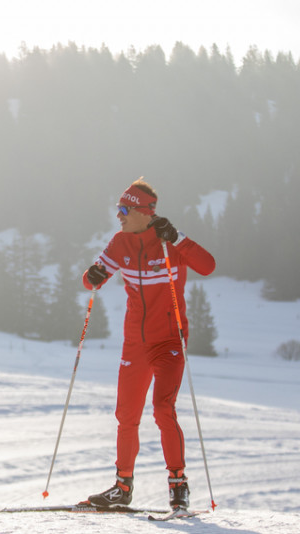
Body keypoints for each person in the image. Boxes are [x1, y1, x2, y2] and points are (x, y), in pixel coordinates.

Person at [82, 178, 215, 511]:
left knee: (162, 409)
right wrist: (94, 275)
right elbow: (90, 278)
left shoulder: (170, 242)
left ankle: (178, 485)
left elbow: (208, 266)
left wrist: (179, 239)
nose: (119, 216)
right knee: (126, 415)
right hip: (135, 344)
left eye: (125, 210)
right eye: (118, 209)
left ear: (145, 213)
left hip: (169, 341)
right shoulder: (120, 243)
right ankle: (122, 487)